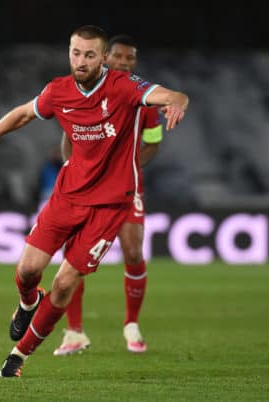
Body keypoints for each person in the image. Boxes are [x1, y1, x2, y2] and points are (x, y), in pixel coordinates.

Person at [0, 25, 188, 377]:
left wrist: (177, 102)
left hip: (110, 204)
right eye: (76, 53)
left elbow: (171, 95)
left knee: (66, 281)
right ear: (68, 52)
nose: (81, 61)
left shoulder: (123, 87)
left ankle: (19, 355)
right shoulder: (59, 91)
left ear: (103, 58)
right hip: (67, 195)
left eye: (89, 55)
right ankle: (28, 301)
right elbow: (24, 113)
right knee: (27, 271)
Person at [53, 34, 163, 356]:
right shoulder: (86, 92)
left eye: (131, 59)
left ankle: (131, 324)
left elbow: (153, 143)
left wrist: (123, 167)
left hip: (126, 186)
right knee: (74, 253)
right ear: (104, 58)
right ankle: (74, 332)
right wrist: (72, 168)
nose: (126, 63)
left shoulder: (145, 101)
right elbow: (68, 138)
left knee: (132, 250)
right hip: (86, 186)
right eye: (119, 57)